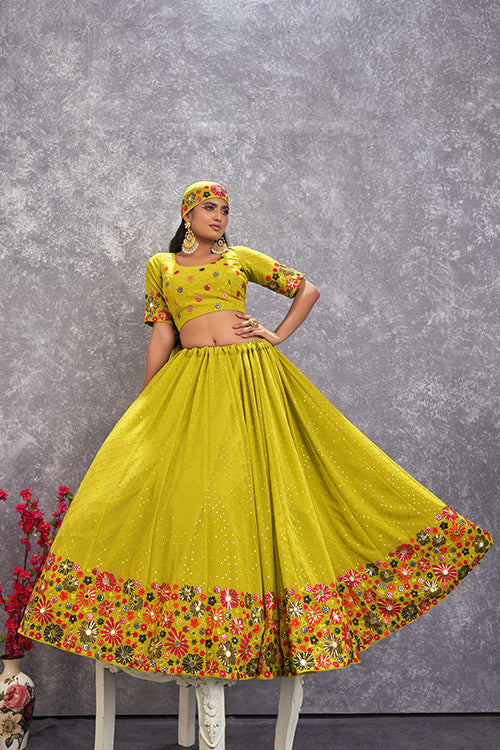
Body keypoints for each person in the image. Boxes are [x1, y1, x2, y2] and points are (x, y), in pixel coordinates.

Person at [19, 181, 492, 682]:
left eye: (225, 210)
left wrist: (277, 334)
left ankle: (271, 621)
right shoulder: (161, 265)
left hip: (251, 377)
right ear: (187, 215)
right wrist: (146, 402)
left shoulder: (239, 258)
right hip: (191, 379)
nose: (219, 217)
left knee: (272, 480)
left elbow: (307, 289)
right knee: (191, 491)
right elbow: (163, 332)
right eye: (209, 208)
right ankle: (198, 629)